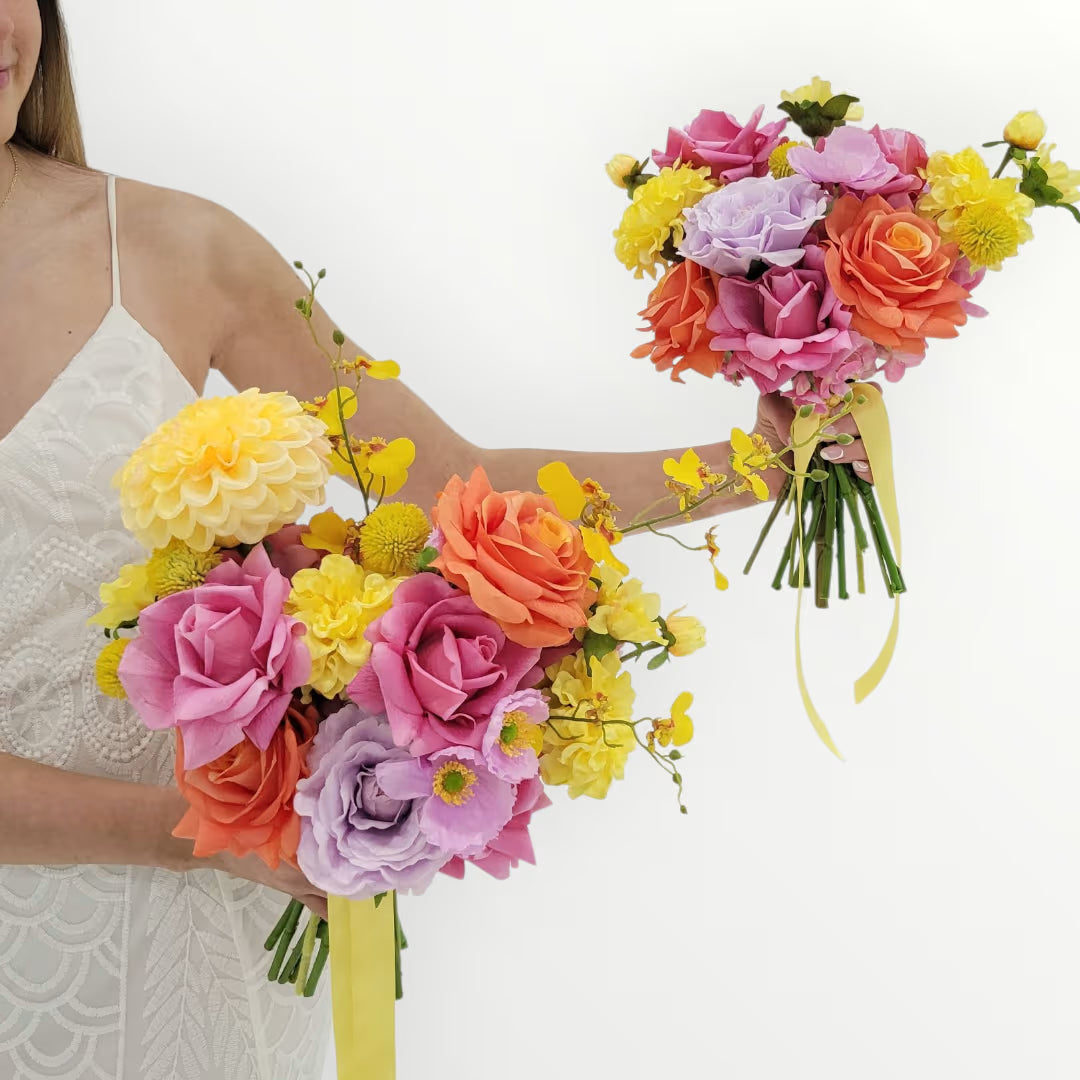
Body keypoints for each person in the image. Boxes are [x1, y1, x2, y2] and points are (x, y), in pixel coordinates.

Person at [0, 3, 872, 1078]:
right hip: (200, 864)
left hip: (189, 957)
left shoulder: (176, 249)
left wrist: (752, 472)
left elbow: (456, 484)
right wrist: (207, 832)